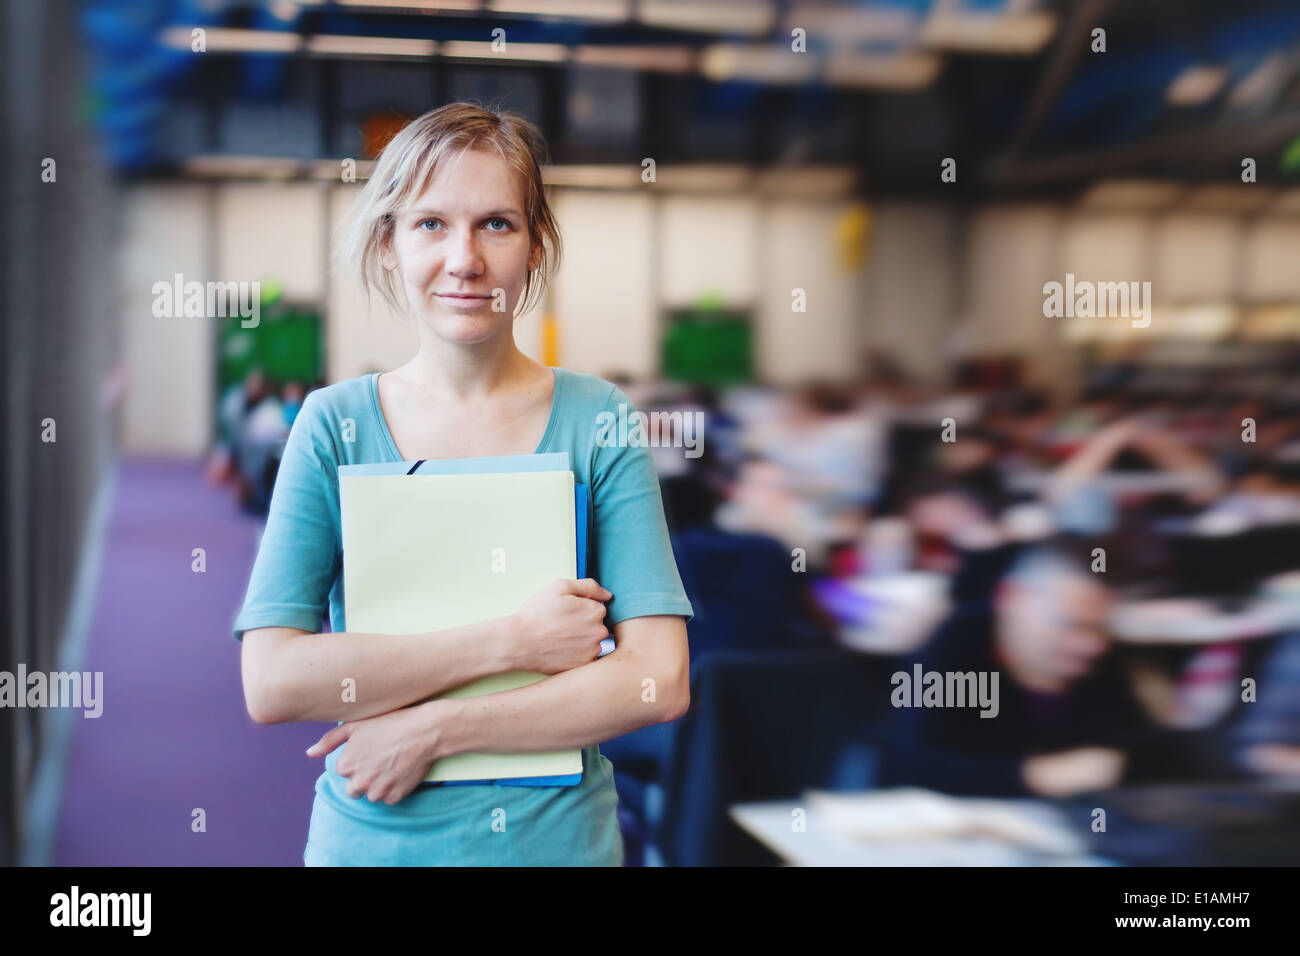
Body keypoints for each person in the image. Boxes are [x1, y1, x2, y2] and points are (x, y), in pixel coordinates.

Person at [231, 103, 694, 866]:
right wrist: (511, 640)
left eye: (497, 224)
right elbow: (273, 680)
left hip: (559, 847)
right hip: (375, 843)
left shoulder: (597, 418)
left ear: (535, 244)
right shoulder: (333, 424)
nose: (465, 259)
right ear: (388, 244)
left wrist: (434, 728)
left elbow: (659, 679)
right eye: (430, 225)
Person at [877, 543, 1151, 798]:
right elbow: (909, 768)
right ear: (1010, 597)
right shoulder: (960, 645)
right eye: (1070, 625)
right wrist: (1032, 775)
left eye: (1100, 629)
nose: (1091, 645)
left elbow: (1136, 753)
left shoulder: (1103, 663)